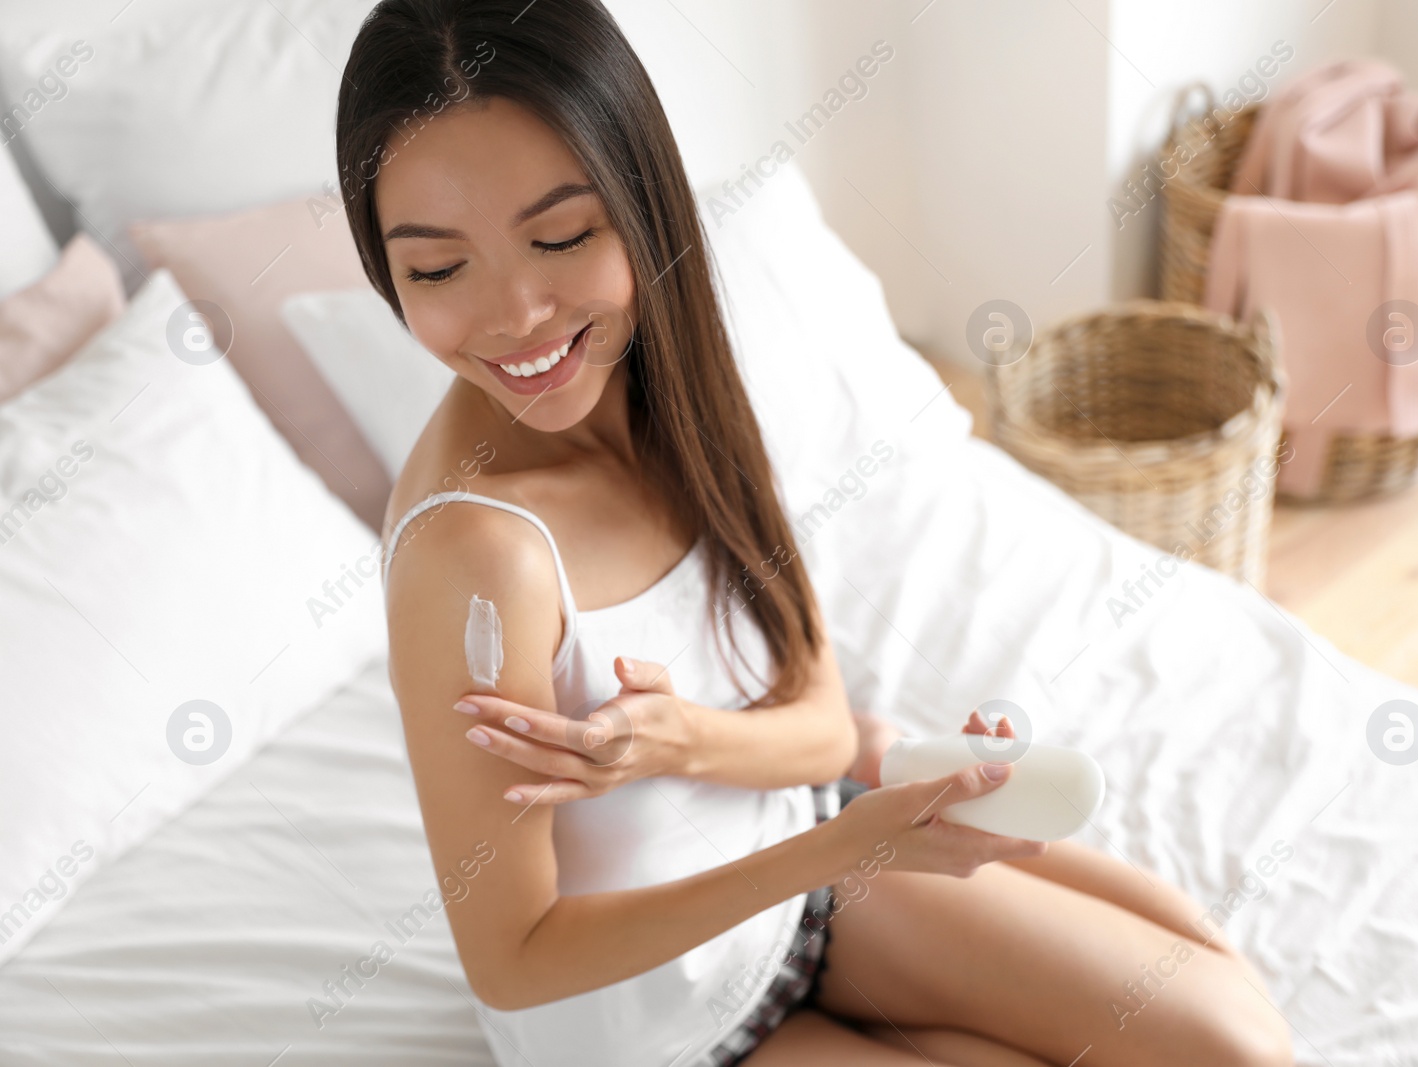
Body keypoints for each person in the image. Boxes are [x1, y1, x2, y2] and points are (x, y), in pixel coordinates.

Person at [345, 1, 1294, 1064]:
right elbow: (513, 956)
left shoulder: (667, 376)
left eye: (560, 236)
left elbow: (823, 715)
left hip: (808, 848)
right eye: (436, 269)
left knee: (1235, 1037)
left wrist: (690, 743)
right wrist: (840, 843)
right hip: (666, 1016)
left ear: (639, 200)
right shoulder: (478, 557)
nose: (516, 312)